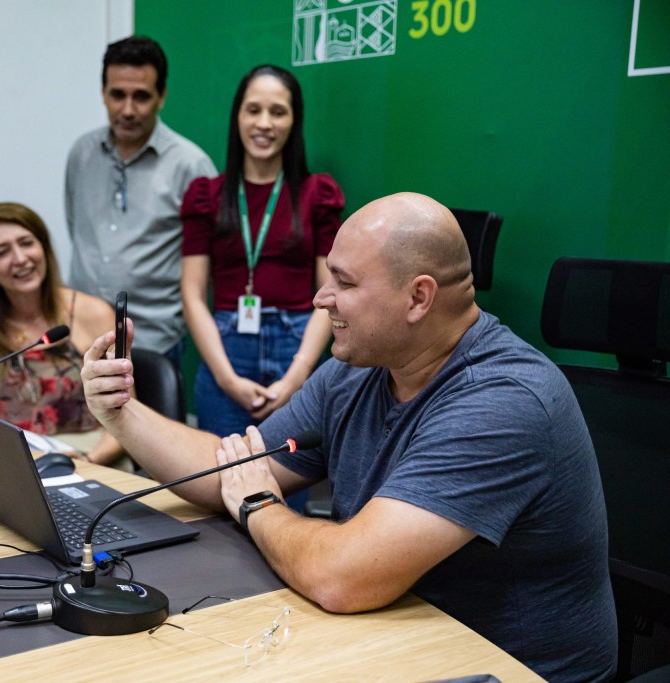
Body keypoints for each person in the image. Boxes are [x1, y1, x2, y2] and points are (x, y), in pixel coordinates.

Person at [80, 192, 617, 682]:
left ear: (418, 297)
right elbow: (231, 470)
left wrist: (260, 504)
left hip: (503, 668)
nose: (321, 298)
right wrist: (122, 413)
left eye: (345, 283)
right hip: (395, 636)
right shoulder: (360, 367)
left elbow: (341, 577)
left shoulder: (502, 402)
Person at [181, 64, 343, 437]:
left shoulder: (317, 194)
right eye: (253, 110)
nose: (264, 123)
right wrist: (226, 378)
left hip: (298, 347)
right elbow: (191, 293)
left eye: (278, 112)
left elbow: (331, 292)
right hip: (226, 351)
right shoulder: (207, 196)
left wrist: (298, 375)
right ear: (237, 116)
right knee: (221, 469)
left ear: (294, 121)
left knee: (292, 473)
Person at [65, 35, 216, 360]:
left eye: (141, 97)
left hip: (153, 342)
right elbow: (75, 226)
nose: (128, 110)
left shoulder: (191, 166)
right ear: (103, 92)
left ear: (162, 96)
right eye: (117, 95)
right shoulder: (82, 153)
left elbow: (204, 267)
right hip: (81, 337)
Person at [0, 202, 126, 466]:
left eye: (27, 243)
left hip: (93, 456)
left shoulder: (93, 313)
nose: (20, 258)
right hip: (13, 462)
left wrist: (88, 460)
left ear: (43, 247)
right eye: (2, 252)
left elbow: (127, 416)